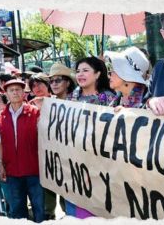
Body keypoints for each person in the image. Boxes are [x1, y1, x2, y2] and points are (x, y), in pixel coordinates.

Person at [65, 57, 115, 218]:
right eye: (78, 71)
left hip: (101, 165)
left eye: (86, 70)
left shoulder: (109, 99)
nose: (80, 74)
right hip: (74, 163)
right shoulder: (70, 99)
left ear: (98, 74)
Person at [0, 79, 45, 222]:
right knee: (18, 211)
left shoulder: (36, 113)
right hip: (12, 172)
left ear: (23, 92)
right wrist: (1, 164)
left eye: (18, 89)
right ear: (6, 94)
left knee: (39, 209)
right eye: (11, 90)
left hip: (35, 170)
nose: (15, 92)